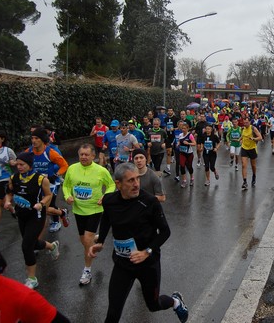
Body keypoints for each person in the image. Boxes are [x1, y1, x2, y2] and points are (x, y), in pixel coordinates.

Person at [88, 163, 189, 323]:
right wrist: (100, 241)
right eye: (130, 180)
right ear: (118, 184)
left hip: (148, 264)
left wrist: (146, 252)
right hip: (123, 263)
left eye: (137, 179)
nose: (136, 184)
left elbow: (165, 232)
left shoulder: (149, 202)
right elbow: (107, 218)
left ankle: (175, 301)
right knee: (112, 314)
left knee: (154, 305)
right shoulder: (109, 201)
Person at [0, 230, 70, 322]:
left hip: (35, 216)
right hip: (23, 216)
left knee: (27, 244)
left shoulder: (22, 299)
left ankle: (32, 277)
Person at [4, 152, 60, 289]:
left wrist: (41, 203)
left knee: (26, 246)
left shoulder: (41, 179)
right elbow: (9, 192)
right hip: (21, 215)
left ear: (30, 165)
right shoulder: (14, 178)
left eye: (22, 164)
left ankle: (32, 278)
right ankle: (52, 246)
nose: (19, 167)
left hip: (37, 216)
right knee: (32, 244)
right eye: (18, 164)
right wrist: (7, 202)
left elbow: (49, 195)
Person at [62, 144, 116, 285]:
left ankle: (87, 271)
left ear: (93, 156)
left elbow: (111, 185)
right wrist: (67, 196)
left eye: (87, 155)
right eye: (81, 154)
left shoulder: (100, 170)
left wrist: (105, 196)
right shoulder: (72, 169)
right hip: (78, 210)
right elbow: (66, 185)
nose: (84, 157)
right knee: (84, 241)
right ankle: (97, 240)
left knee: (87, 240)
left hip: (95, 209)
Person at [27, 127, 69, 233]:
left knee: (47, 206)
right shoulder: (29, 151)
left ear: (42, 140)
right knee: (42, 206)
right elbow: (22, 162)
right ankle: (62, 213)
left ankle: (56, 222)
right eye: (32, 138)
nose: (34, 141)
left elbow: (64, 165)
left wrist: (55, 175)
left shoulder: (50, 152)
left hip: (51, 183)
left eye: (36, 138)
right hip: (37, 183)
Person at [240, 117, 262, 190]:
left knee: (253, 165)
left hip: (252, 148)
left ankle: (254, 175)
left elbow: (260, 137)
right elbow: (242, 136)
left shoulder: (253, 128)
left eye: (247, 122)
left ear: (249, 122)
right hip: (244, 148)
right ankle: (245, 182)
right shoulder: (243, 129)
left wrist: (254, 139)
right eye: (244, 122)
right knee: (243, 165)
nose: (245, 124)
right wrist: (239, 140)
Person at [177, 122, 197, 188]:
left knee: (189, 167)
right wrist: (178, 143)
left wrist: (188, 143)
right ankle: (184, 180)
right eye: (182, 128)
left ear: (188, 129)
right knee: (182, 166)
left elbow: (194, 143)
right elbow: (179, 141)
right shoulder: (180, 135)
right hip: (182, 153)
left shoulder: (190, 135)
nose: (183, 130)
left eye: (185, 128)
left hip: (189, 154)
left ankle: (192, 178)